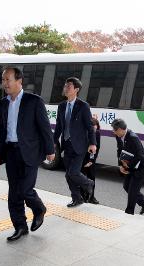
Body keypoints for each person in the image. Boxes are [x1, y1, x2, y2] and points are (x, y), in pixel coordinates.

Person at [0, 67, 55, 242]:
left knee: (26, 190)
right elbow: (2, 130)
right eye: (3, 80)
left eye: (8, 80)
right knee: (14, 193)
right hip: (11, 151)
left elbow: (44, 127)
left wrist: (50, 150)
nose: (4, 83)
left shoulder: (34, 101)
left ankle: (39, 208)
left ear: (19, 81)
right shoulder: (3, 102)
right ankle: (20, 226)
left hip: (30, 152)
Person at [53, 77, 96, 208]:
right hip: (66, 145)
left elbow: (89, 127)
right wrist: (53, 142)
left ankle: (88, 183)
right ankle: (77, 198)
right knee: (68, 175)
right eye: (65, 86)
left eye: (69, 86)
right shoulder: (61, 106)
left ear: (76, 89)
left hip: (79, 146)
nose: (65, 88)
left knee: (73, 173)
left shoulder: (83, 106)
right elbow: (59, 126)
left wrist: (93, 143)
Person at [111, 118, 144, 215]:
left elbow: (140, 155)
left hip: (141, 167)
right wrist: (121, 165)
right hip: (130, 166)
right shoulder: (118, 136)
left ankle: (129, 212)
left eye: (115, 130)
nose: (113, 132)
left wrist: (128, 166)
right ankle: (143, 201)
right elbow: (119, 150)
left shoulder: (133, 138)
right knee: (126, 186)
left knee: (133, 190)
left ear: (121, 129)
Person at [81, 117, 101, 204]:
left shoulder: (97, 134)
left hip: (91, 160)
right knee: (81, 178)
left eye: (96, 126)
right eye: (93, 126)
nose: (95, 128)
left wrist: (91, 161)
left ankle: (92, 197)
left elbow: (97, 148)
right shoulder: (83, 133)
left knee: (92, 178)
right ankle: (83, 196)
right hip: (82, 159)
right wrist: (85, 161)